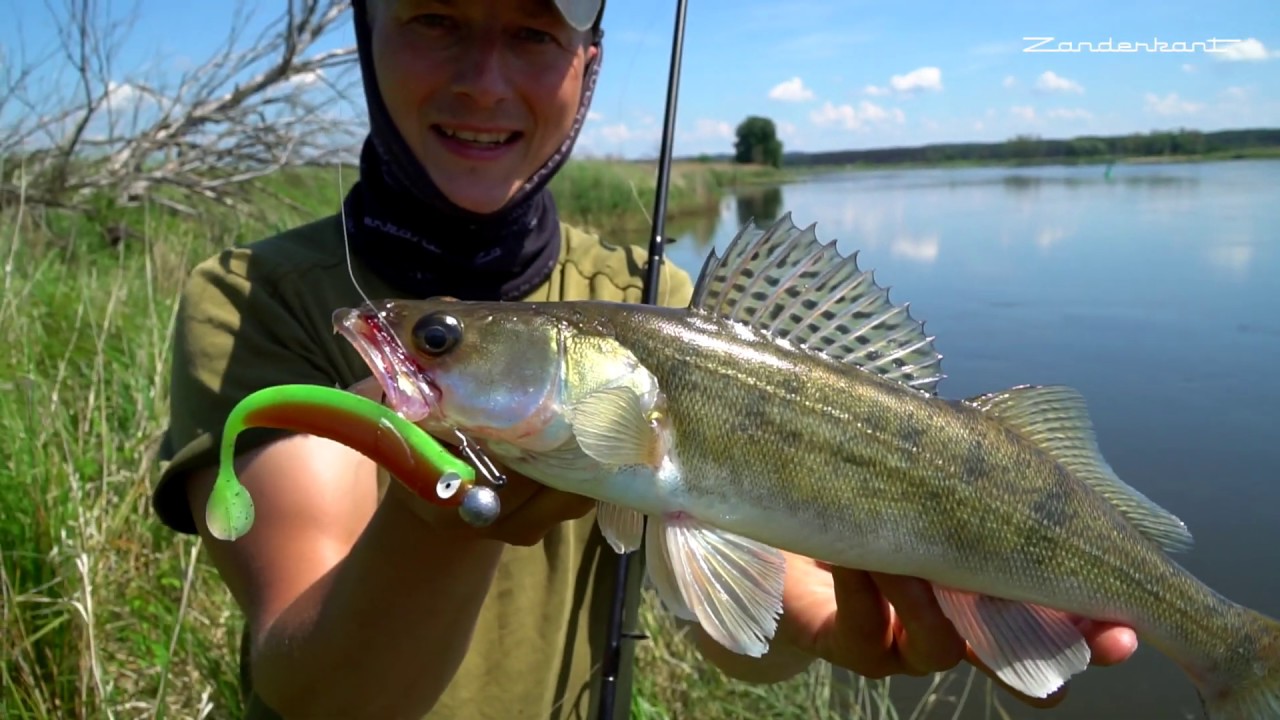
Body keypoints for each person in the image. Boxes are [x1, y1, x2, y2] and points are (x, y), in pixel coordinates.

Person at [151, 0, 1140, 718]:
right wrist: (448, 517)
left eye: (534, 32)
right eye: (436, 18)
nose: (483, 79)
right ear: (366, 28)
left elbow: (744, 621)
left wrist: (811, 622)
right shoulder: (255, 306)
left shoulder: (660, 301)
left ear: (588, 60)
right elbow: (318, 693)